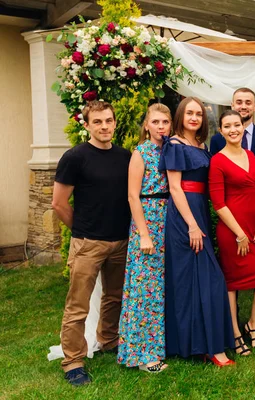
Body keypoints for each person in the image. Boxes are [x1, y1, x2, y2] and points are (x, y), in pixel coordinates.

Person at [52, 100, 131, 386]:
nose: (104, 126)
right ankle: (73, 360)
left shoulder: (125, 156)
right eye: (97, 122)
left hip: (121, 241)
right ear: (86, 125)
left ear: (114, 122)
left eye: (108, 120)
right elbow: (59, 204)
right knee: (78, 305)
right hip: (88, 242)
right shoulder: (75, 157)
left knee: (114, 296)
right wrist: (83, 233)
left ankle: (108, 339)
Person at [160, 97, 235, 367]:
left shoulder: (202, 146)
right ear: (180, 115)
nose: (194, 117)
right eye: (189, 113)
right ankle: (210, 348)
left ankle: (198, 343)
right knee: (203, 279)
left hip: (200, 209)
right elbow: (175, 187)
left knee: (197, 280)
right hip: (184, 217)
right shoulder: (175, 145)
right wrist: (192, 224)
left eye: (199, 114)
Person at [209, 110, 255, 357]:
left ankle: (253, 325)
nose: (233, 129)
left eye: (236, 125)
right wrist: (239, 234)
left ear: (242, 125)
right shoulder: (217, 160)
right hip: (232, 231)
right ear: (221, 131)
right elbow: (218, 203)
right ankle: (236, 333)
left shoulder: (250, 155)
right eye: (227, 126)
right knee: (232, 282)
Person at [117, 104, 171, 373]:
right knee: (145, 290)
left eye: (165, 122)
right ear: (146, 125)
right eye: (156, 122)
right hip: (148, 220)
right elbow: (132, 195)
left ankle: (163, 345)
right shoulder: (141, 153)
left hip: (169, 220)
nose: (161, 127)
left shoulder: (171, 149)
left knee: (162, 288)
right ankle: (143, 354)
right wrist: (144, 234)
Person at [210, 88, 255, 201]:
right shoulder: (217, 140)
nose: (244, 106)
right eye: (239, 102)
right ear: (232, 105)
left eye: (248, 102)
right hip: (231, 202)